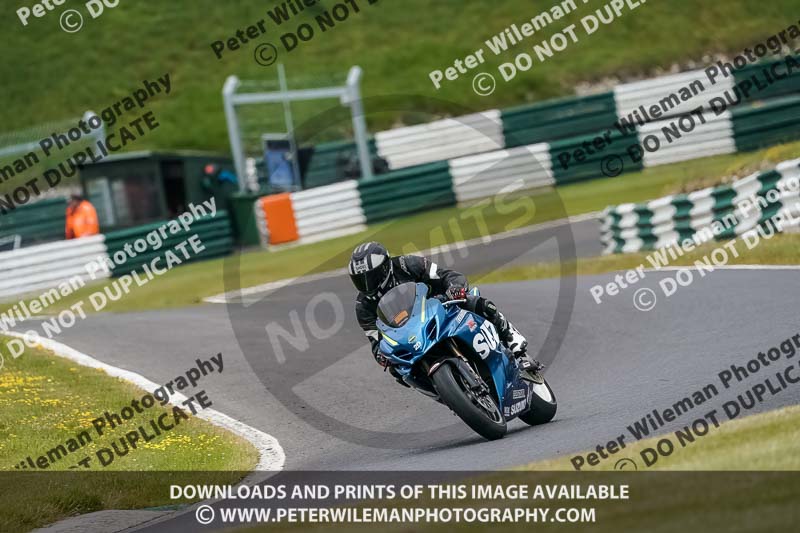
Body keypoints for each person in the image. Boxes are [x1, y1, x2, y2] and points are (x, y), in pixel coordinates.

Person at [348, 241, 542, 382]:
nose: (366, 284)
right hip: (409, 334)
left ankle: (517, 349)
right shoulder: (363, 306)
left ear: (385, 267)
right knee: (397, 371)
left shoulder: (408, 265)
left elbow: (448, 275)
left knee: (476, 302)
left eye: (370, 277)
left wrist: (454, 289)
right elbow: (376, 341)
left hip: (442, 307)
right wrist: (381, 356)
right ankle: (445, 391)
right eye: (360, 279)